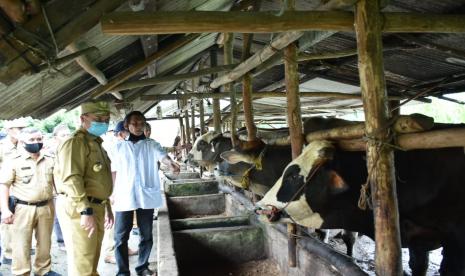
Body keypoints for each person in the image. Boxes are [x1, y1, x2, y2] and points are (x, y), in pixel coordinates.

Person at [112, 111, 180, 276]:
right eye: (134, 123)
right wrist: (112, 192)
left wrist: (171, 164)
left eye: (141, 123)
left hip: (146, 196)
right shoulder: (118, 147)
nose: (138, 126)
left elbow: (163, 157)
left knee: (146, 235)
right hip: (124, 196)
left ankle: (142, 267)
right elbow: (113, 171)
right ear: (127, 126)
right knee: (121, 237)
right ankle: (122, 272)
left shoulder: (151, 144)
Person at [53, 101, 114, 276]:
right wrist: (85, 211)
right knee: (83, 262)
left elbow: (99, 179)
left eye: (106, 118)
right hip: (81, 207)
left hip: (97, 206)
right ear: (83, 118)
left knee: (92, 258)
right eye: (98, 118)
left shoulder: (95, 143)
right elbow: (72, 178)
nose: (103, 122)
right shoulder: (74, 143)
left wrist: (107, 205)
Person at [0, 127, 58, 276]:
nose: (36, 142)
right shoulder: (13, 161)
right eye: (32, 140)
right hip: (22, 208)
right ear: (22, 141)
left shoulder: (50, 159)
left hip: (46, 206)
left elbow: (56, 182)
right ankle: (21, 272)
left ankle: (43, 270)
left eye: (39, 139)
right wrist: (5, 210)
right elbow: (4, 186)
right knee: (21, 244)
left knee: (45, 242)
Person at [102, 121, 137, 264]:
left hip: (124, 189)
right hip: (117, 190)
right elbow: (112, 171)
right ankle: (110, 252)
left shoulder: (125, 146)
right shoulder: (113, 147)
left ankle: (124, 247)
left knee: (124, 224)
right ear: (122, 133)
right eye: (129, 132)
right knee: (115, 223)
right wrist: (112, 192)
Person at [0, 118, 28, 265]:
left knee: (20, 221)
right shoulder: (2, 146)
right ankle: (8, 253)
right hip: (6, 189)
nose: (22, 132)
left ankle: (17, 250)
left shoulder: (23, 145)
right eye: (19, 129)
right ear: (10, 130)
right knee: (7, 222)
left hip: (22, 190)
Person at [50, 124, 71, 251]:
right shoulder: (51, 153)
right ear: (55, 138)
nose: (67, 137)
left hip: (71, 189)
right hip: (58, 190)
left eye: (68, 134)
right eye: (63, 135)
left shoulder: (73, 149)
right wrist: (55, 190)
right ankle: (61, 241)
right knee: (58, 216)